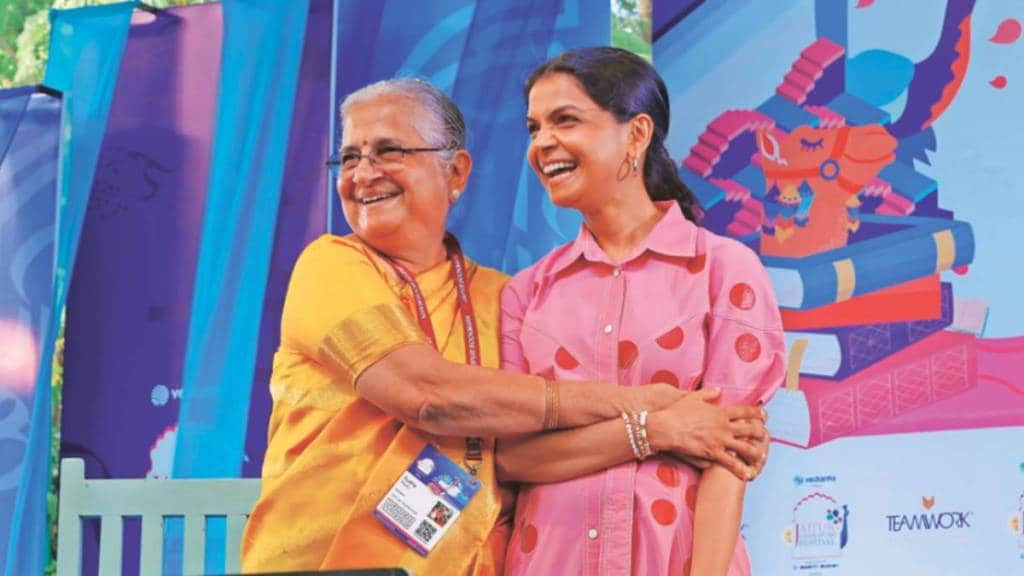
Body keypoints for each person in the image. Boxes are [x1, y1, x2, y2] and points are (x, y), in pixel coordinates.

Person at [240, 77, 770, 574]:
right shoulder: (330, 265)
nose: (362, 173)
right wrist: (653, 409)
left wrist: (710, 435)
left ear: (457, 173)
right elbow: (427, 395)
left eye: (389, 151)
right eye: (349, 157)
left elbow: (521, 456)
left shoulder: (508, 295)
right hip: (335, 563)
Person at [497, 47, 787, 576]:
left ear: (636, 134)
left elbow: (730, 453)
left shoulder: (722, 270)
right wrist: (656, 429)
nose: (542, 143)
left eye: (565, 120)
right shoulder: (526, 292)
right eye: (534, 127)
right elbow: (514, 458)